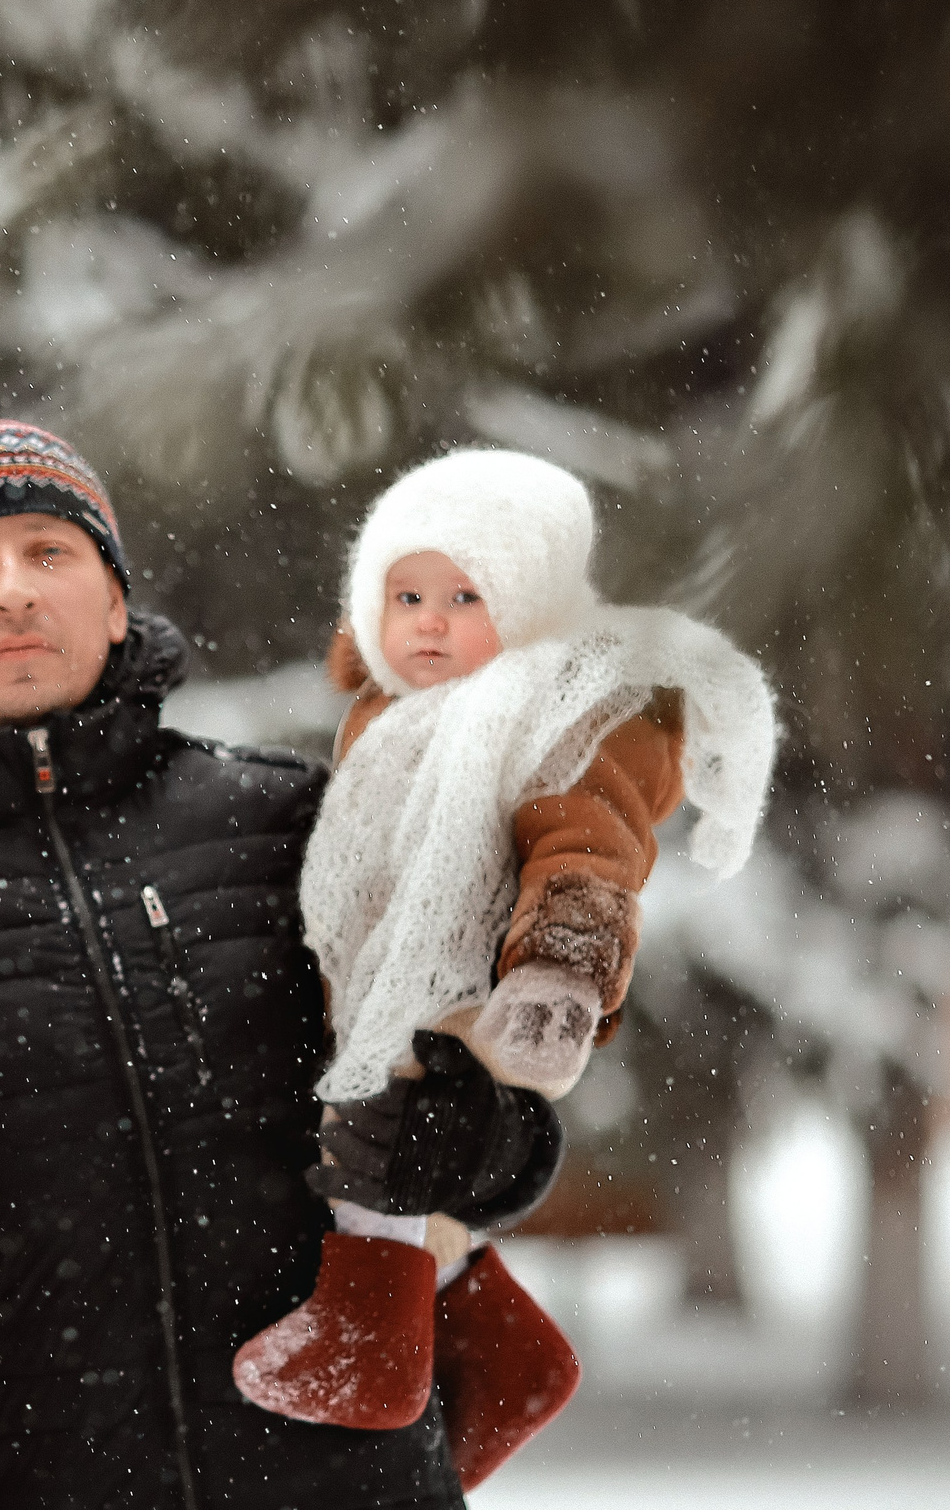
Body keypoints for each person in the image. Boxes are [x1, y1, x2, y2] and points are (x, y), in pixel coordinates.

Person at [0, 413, 466, 1510]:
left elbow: (488, 1108)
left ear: (116, 602)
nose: (10, 587)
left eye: (47, 551)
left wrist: (479, 1133)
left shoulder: (290, 819)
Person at [231, 447, 778, 1443]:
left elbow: (590, 849)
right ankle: (501, 1354)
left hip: (475, 983)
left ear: (530, 607)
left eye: (465, 595)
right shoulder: (392, 718)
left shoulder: (559, 717)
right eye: (405, 594)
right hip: (393, 975)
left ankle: (372, 1350)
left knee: (379, 1147)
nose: (429, 620)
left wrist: (559, 973)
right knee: (378, 1153)